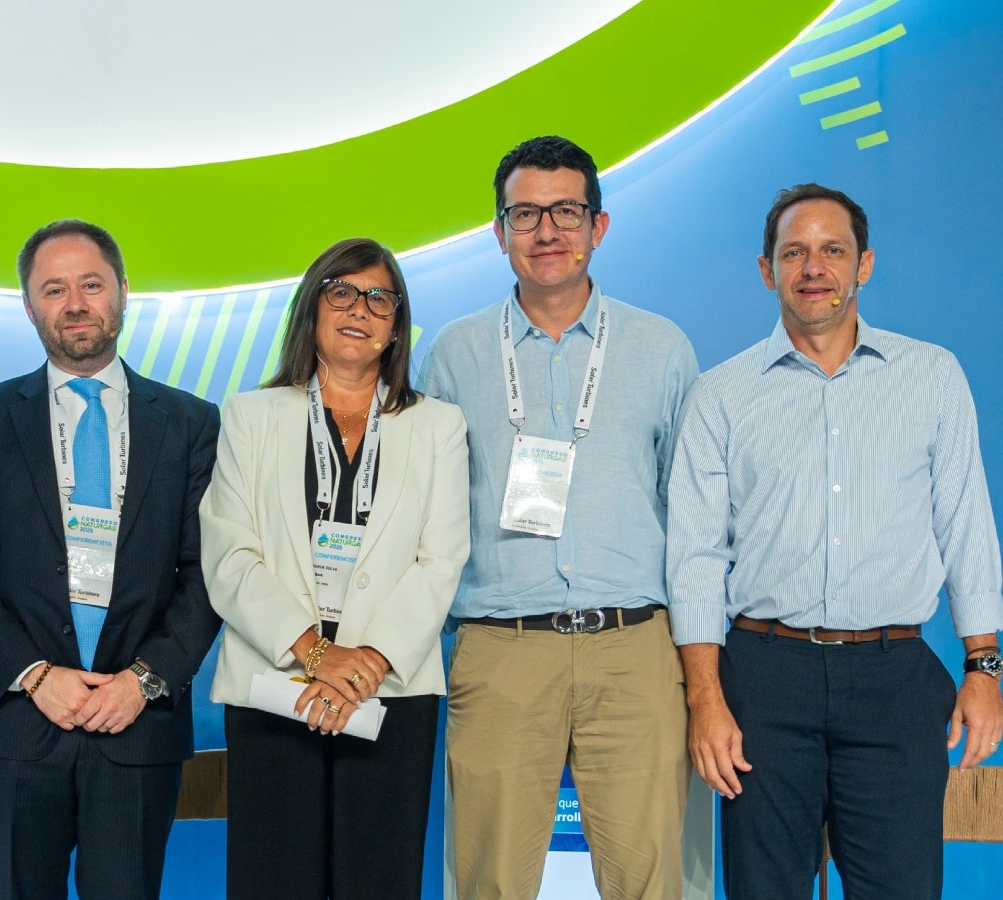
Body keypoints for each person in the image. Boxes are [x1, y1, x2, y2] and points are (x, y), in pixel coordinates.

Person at [666, 183, 1003, 899]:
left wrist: (986, 669)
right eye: (794, 252)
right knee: (764, 889)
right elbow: (695, 555)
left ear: (864, 265)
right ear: (767, 270)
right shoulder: (720, 395)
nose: (813, 267)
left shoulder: (932, 377)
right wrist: (705, 698)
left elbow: (967, 525)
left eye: (832, 250)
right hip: (762, 679)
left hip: (895, 677)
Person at [419, 135, 699, 900]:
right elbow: (428, 511)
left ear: (599, 226)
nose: (547, 231)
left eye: (567, 211)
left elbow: (696, 517)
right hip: (501, 648)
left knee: (650, 881)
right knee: (489, 883)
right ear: (499, 231)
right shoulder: (453, 354)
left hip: (635, 648)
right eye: (526, 213)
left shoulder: (661, 347)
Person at [0, 219, 221, 900]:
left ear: (123, 291)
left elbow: (207, 571)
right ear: (30, 307)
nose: (76, 303)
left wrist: (143, 681)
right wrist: (34, 675)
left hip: (136, 724)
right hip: (18, 724)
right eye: (53, 289)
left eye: (91, 284)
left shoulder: (190, 422)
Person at [200, 237, 469, 900]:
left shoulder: (438, 426)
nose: (360, 308)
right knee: (274, 877)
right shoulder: (250, 415)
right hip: (276, 677)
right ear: (311, 309)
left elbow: (441, 559)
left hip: (390, 687)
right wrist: (316, 653)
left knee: (378, 878)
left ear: (397, 324)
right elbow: (229, 550)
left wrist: (367, 661)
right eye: (341, 291)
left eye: (380, 297)